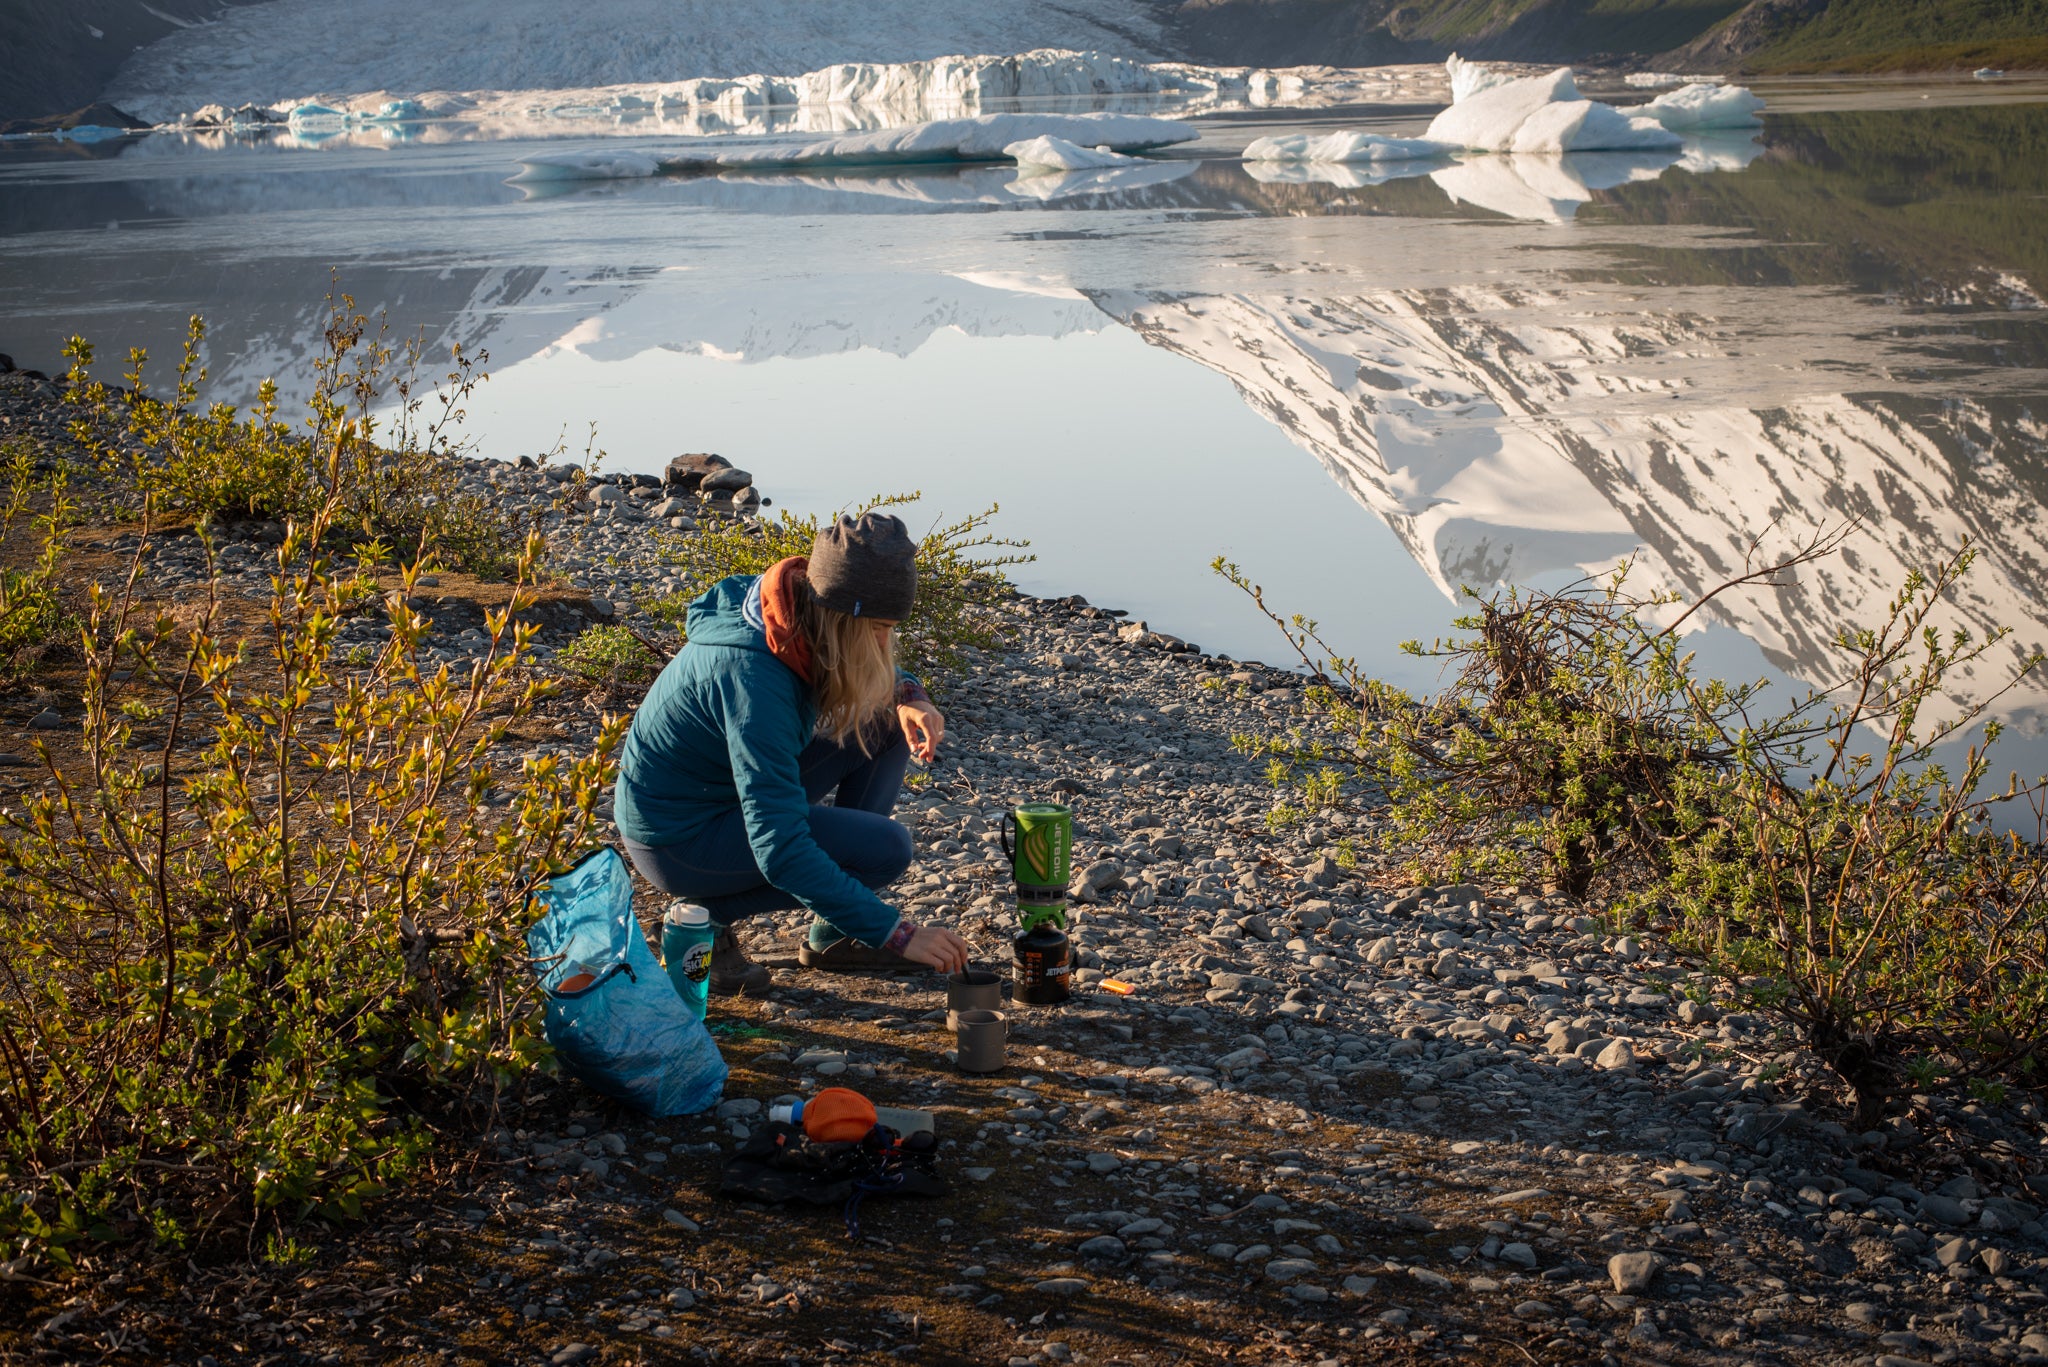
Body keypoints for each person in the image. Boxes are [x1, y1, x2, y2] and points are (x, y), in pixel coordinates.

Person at [614, 511, 972, 995]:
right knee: (885, 850)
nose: (885, 644)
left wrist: (910, 696)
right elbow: (780, 849)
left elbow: (867, 670)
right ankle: (698, 920)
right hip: (677, 838)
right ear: (843, 619)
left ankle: (835, 933)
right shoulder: (755, 679)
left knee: (887, 723)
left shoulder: (791, 606)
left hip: (721, 792)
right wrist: (895, 934)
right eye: (879, 629)